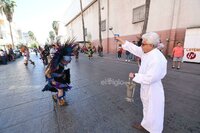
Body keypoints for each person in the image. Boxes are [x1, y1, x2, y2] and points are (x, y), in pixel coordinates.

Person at [115, 32, 167, 133]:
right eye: (141, 43)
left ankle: (155, 130)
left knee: (154, 110)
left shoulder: (157, 58)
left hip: (153, 89)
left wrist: (135, 76)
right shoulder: (146, 51)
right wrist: (120, 39)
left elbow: (151, 77)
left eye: (143, 44)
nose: (141, 46)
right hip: (146, 87)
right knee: (147, 108)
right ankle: (145, 125)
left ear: (151, 45)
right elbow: (134, 48)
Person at [42, 41, 77, 106]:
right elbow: (47, 73)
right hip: (55, 80)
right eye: (66, 61)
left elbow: (60, 70)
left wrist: (63, 74)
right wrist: (52, 80)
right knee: (61, 91)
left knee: (62, 90)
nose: (68, 62)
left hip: (59, 79)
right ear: (62, 59)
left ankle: (56, 96)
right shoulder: (56, 65)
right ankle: (59, 101)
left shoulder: (61, 63)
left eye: (68, 61)